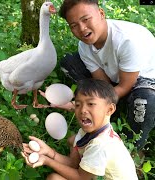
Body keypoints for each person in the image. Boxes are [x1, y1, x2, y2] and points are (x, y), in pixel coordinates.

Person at [56, 0, 155, 150]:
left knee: (143, 101)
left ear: (101, 13)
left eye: (86, 19)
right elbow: (103, 84)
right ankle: (109, 113)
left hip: (144, 81)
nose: (82, 29)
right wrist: (88, 102)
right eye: (74, 25)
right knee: (69, 63)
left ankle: (132, 150)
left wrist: (85, 104)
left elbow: (125, 85)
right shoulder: (84, 46)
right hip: (116, 79)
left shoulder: (127, 40)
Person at [22, 79, 138, 180]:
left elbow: (80, 177)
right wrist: (49, 152)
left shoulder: (100, 145)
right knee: (73, 141)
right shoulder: (88, 130)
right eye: (78, 104)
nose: (82, 110)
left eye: (91, 104)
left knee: (54, 178)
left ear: (109, 109)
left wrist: (46, 160)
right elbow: (73, 164)